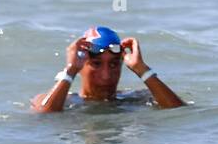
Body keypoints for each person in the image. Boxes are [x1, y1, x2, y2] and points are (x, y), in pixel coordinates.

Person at [31, 26, 185, 112]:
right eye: (96, 64)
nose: (106, 76)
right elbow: (44, 115)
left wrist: (142, 70)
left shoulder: (136, 99)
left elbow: (179, 112)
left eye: (113, 64)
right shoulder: (65, 101)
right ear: (81, 65)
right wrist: (70, 70)